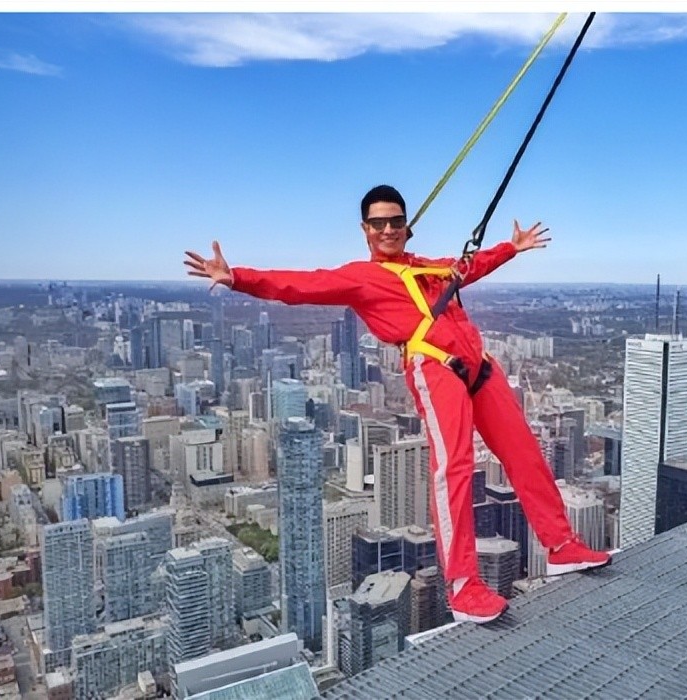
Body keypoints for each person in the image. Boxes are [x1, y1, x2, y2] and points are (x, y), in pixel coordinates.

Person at [184, 185, 611, 624]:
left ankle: (562, 546)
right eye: (378, 223)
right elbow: (299, 285)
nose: (388, 229)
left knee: (524, 451)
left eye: (395, 221)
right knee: (454, 468)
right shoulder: (360, 277)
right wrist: (237, 277)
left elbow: (468, 267)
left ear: (407, 226)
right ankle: (463, 586)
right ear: (365, 230)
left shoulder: (429, 267)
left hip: (480, 367)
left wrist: (511, 248)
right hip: (437, 367)